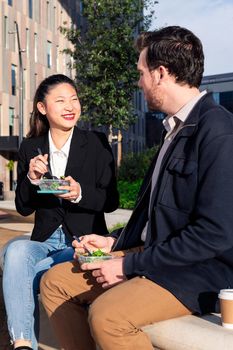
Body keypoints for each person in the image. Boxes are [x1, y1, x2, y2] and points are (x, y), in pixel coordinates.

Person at [40, 26, 233, 350]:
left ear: (160, 73)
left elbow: (215, 233)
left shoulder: (218, 132)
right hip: (155, 254)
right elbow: (158, 214)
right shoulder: (172, 130)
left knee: (108, 316)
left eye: (141, 72)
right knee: (55, 282)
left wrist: (127, 266)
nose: (138, 81)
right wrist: (112, 242)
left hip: (197, 271)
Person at [2, 74, 119, 350]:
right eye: (61, 100)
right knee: (17, 251)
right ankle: (22, 344)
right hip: (45, 242)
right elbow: (23, 206)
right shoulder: (31, 148)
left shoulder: (97, 143)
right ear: (42, 108)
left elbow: (111, 200)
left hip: (84, 242)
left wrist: (79, 193)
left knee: (16, 266)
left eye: (74, 99)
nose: (70, 106)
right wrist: (30, 179)